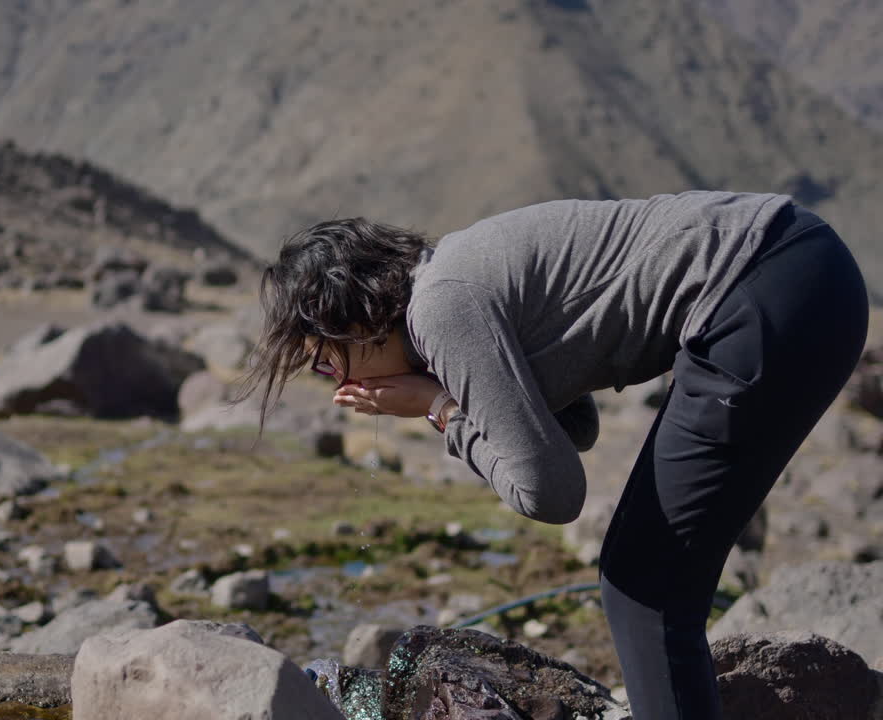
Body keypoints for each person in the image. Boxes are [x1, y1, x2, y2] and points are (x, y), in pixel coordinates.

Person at [238, 190, 869, 719]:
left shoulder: (442, 306)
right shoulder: (450, 278)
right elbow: (576, 429)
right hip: (799, 270)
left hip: (762, 288)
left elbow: (551, 494)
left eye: (324, 357)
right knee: (651, 575)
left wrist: (439, 410)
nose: (330, 376)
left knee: (644, 584)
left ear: (358, 319)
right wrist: (454, 395)